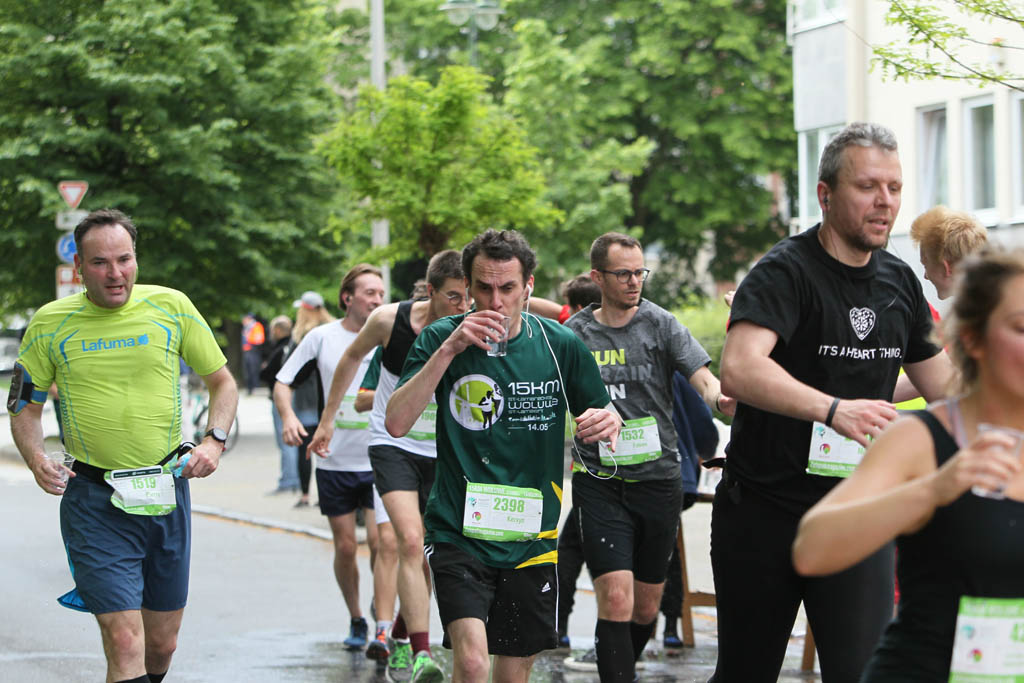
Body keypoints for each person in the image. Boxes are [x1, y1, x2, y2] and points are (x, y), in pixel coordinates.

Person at [714, 122, 955, 682]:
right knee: (746, 672)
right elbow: (741, 367)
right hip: (765, 512)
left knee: (863, 672)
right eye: (868, 186)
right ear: (826, 194)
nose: (885, 201)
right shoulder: (784, 271)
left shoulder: (899, 282)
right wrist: (834, 409)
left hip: (857, 511)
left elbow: (948, 388)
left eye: (894, 187)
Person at [9, 208, 238, 683]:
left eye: (124, 259)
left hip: (165, 492)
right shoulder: (50, 323)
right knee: (125, 641)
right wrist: (35, 458)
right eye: (100, 263)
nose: (115, 273)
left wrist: (214, 442)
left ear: (136, 258)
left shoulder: (172, 307)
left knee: (161, 645)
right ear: (78, 267)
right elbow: (25, 409)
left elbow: (223, 382)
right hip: (95, 498)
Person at [385, 229, 621, 683]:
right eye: (484, 287)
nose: (496, 301)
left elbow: (605, 414)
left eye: (508, 287)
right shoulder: (440, 337)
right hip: (459, 530)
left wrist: (608, 423)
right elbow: (396, 422)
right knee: (473, 662)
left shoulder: (559, 344)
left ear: (528, 286)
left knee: (511, 675)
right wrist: (450, 348)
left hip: (531, 537)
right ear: (467, 287)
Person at [793, 247, 1024, 681]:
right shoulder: (921, 439)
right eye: (1022, 327)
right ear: (972, 339)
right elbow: (811, 550)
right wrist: (934, 489)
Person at [562, 232, 733, 682]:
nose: (635, 281)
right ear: (598, 277)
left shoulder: (661, 324)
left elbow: (703, 379)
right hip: (600, 481)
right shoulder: (575, 334)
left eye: (640, 272)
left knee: (645, 607)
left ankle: (624, 664)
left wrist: (721, 400)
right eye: (624, 274)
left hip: (658, 481)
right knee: (615, 598)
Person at [310, 250, 469, 682]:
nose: (463, 306)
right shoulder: (388, 320)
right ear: (430, 291)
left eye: (468, 297)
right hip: (391, 442)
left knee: (433, 554)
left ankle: (401, 631)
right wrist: (327, 420)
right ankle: (420, 654)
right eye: (454, 297)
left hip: (443, 451)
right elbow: (350, 358)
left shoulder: (471, 327)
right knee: (409, 542)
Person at [273, 265, 385, 650]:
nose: (377, 300)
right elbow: (282, 382)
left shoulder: (390, 335)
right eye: (369, 293)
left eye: (381, 293)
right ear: (347, 298)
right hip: (334, 459)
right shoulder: (322, 338)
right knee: (346, 546)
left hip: (380, 458)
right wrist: (288, 418)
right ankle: (356, 617)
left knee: (381, 543)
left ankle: (382, 607)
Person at [660, 372, 720, 649]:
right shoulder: (677, 369)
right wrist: (704, 452)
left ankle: (560, 626)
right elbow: (703, 426)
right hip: (674, 474)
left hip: (619, 475)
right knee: (667, 549)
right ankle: (671, 626)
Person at [287, 292, 336, 508]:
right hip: (330, 398)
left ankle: (306, 495)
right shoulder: (334, 330)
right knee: (327, 448)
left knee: (305, 449)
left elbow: (290, 369)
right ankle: (327, 494)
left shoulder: (303, 336)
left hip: (307, 399)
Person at [911, 205, 988, 301]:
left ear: (947, 268)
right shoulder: (995, 298)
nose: (925, 276)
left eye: (925, 266)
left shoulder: (974, 309)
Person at [261, 314, 300, 494]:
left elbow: (268, 373)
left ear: (277, 330)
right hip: (294, 398)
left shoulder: (281, 350)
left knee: (286, 440)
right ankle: (294, 479)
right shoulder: (292, 347)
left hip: (282, 399)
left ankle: (289, 480)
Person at [241, 312, 265, 395]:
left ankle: (255, 388)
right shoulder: (246, 328)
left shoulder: (256, 326)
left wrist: (248, 337)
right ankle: (249, 388)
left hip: (254, 350)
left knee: (253, 370)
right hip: (247, 351)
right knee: (247, 370)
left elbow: (259, 339)